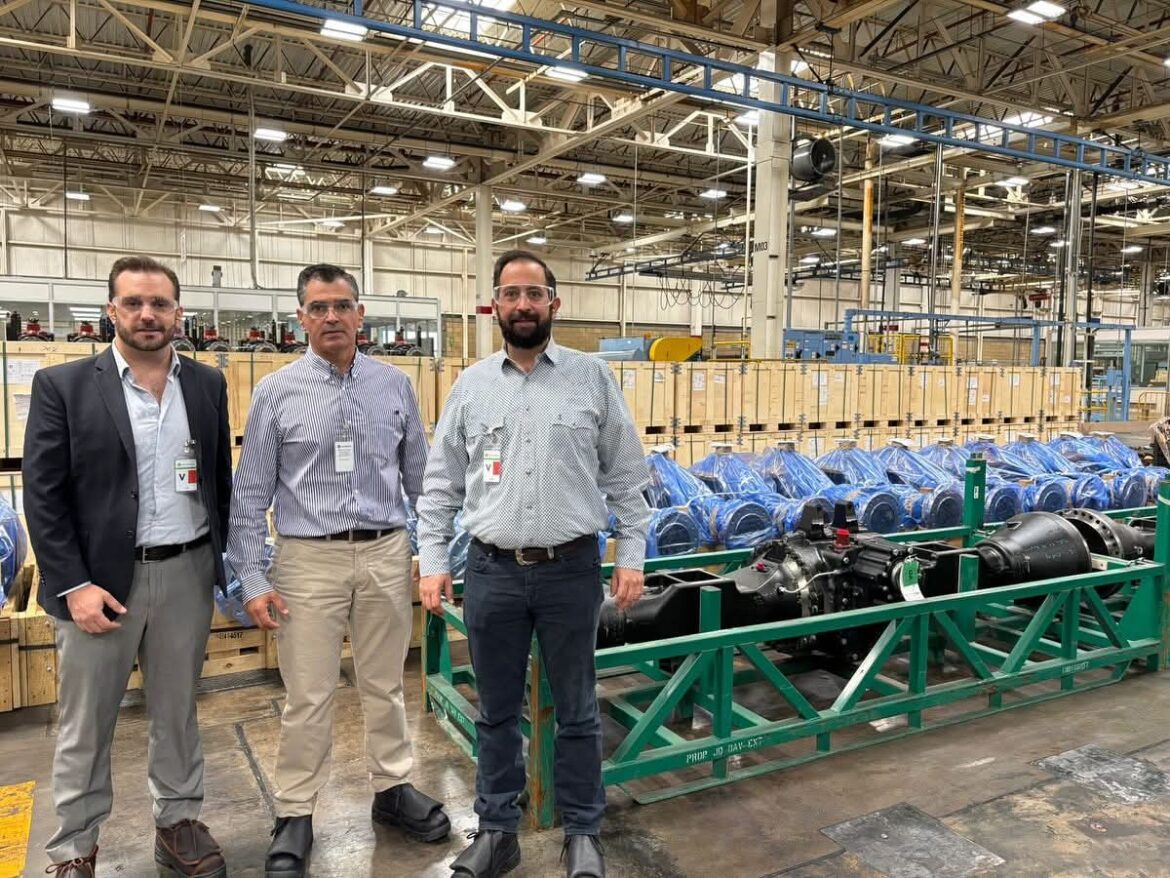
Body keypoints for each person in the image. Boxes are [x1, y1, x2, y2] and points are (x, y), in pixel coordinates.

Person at [417, 250, 651, 878]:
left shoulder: (591, 378)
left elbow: (628, 477)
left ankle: (583, 831)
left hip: (569, 571)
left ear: (554, 303)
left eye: (534, 293)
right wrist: (433, 560)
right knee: (494, 710)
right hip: (491, 572)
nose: (522, 305)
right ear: (494, 305)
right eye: (510, 294)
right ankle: (497, 831)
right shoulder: (471, 386)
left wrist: (631, 555)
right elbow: (440, 485)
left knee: (577, 709)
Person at [227, 263, 449, 878]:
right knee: (308, 693)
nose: (332, 317)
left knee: (386, 683)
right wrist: (253, 577)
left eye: (342, 305)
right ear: (300, 317)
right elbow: (250, 495)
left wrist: (433, 557)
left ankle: (392, 788)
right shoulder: (276, 392)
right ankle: (295, 810)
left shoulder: (395, 385)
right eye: (319, 307)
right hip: (308, 558)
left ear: (360, 314)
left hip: (384, 551)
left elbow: (423, 482)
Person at [24, 256, 232, 878]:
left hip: (186, 571)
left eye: (160, 304)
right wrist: (72, 584)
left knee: (177, 710)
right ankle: (74, 848)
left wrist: (223, 565)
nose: (148, 314)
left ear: (178, 313)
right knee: (86, 723)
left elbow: (217, 480)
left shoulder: (206, 385)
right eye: (134, 303)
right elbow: (44, 495)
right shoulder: (64, 386)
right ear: (111, 311)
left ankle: (178, 821)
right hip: (100, 585)